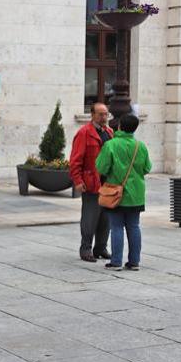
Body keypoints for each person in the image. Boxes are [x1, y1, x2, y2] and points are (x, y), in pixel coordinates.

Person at [96, 114, 151, 271]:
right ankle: (134, 262)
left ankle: (116, 262)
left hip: (115, 193)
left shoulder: (111, 145)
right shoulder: (140, 146)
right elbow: (147, 168)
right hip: (136, 194)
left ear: (119, 126)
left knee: (117, 227)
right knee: (134, 226)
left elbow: (101, 167)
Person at [69, 102, 114, 262]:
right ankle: (85, 248)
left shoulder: (109, 132)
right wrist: (78, 180)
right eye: (101, 114)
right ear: (92, 115)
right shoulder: (84, 133)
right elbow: (75, 160)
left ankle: (101, 247)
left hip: (108, 184)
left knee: (105, 218)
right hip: (91, 183)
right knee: (90, 218)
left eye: (106, 114)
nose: (104, 117)